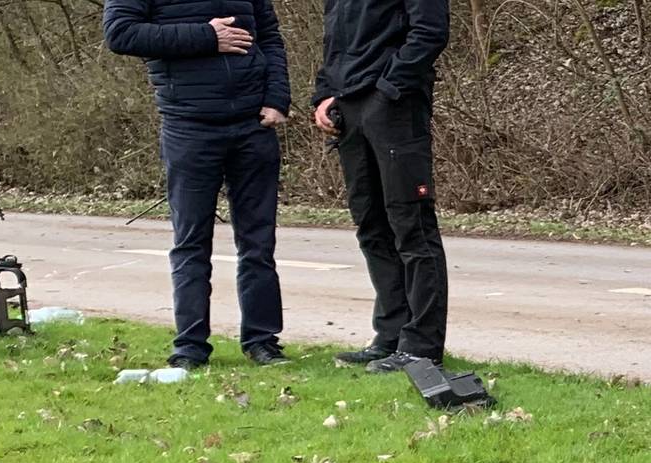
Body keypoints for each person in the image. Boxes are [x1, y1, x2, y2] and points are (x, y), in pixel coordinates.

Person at [104, 0, 291, 368]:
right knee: (191, 242)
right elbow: (120, 33)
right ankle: (190, 347)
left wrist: (277, 98)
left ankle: (262, 341)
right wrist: (206, 36)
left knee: (259, 241)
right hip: (188, 124)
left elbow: (269, 35)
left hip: (254, 123)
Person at [312, 0, 450, 374]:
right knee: (372, 225)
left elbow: (430, 32)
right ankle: (390, 335)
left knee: (412, 225)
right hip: (348, 108)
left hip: (395, 105)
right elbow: (334, 41)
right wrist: (324, 93)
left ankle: (421, 346)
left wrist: (390, 87)